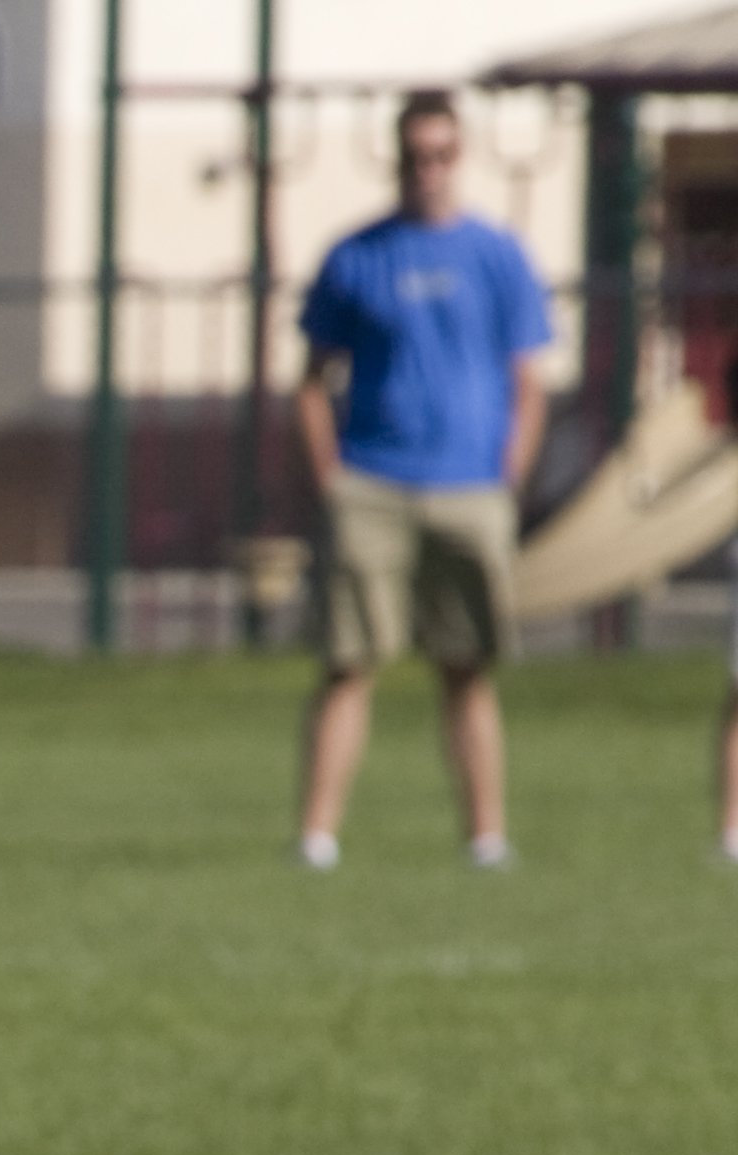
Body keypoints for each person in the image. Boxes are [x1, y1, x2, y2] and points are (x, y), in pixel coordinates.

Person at [294, 91, 549, 871]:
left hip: (470, 485)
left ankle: (485, 836)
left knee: (467, 665)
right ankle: (317, 837)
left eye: (442, 155)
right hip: (374, 481)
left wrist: (511, 471)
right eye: (415, 156)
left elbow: (530, 379)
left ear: (459, 157)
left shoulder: (497, 255)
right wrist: (331, 475)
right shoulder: (357, 256)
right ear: (397, 159)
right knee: (349, 663)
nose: (428, 171)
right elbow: (311, 380)